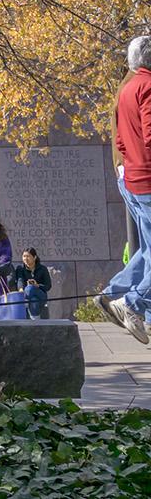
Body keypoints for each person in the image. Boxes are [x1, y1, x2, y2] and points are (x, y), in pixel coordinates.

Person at [105, 35, 151, 343]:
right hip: (147, 180)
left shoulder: (126, 89)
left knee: (148, 249)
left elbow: (121, 141)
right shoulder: (148, 86)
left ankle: (114, 293)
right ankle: (130, 303)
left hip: (132, 178)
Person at [13, 248, 53, 319]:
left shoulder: (42, 269)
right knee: (34, 300)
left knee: (30, 288)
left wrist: (37, 285)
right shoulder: (20, 268)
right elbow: (20, 280)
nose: (25, 258)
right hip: (27, 294)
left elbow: (48, 286)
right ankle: (35, 321)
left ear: (34, 257)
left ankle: (24, 302)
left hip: (41, 296)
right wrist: (21, 289)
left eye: (28, 256)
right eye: (24, 256)